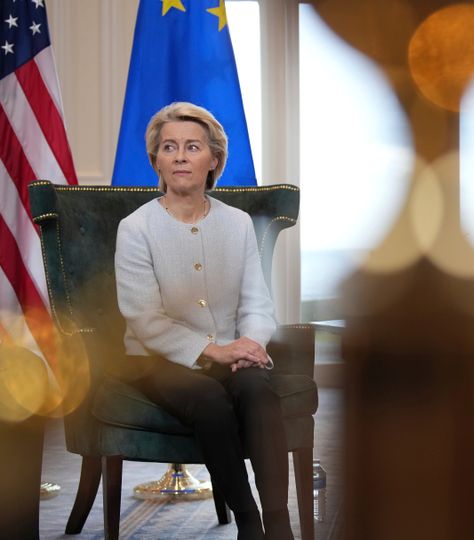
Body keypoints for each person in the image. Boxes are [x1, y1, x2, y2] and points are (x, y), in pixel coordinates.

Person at [114, 102, 292, 540]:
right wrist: (214, 350)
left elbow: (257, 303)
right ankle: (249, 522)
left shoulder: (238, 223)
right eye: (169, 147)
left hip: (232, 351)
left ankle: (280, 524)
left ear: (213, 159)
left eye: (192, 147)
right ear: (156, 160)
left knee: (258, 391)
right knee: (209, 399)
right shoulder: (136, 228)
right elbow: (144, 318)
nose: (179, 156)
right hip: (156, 360)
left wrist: (250, 346)